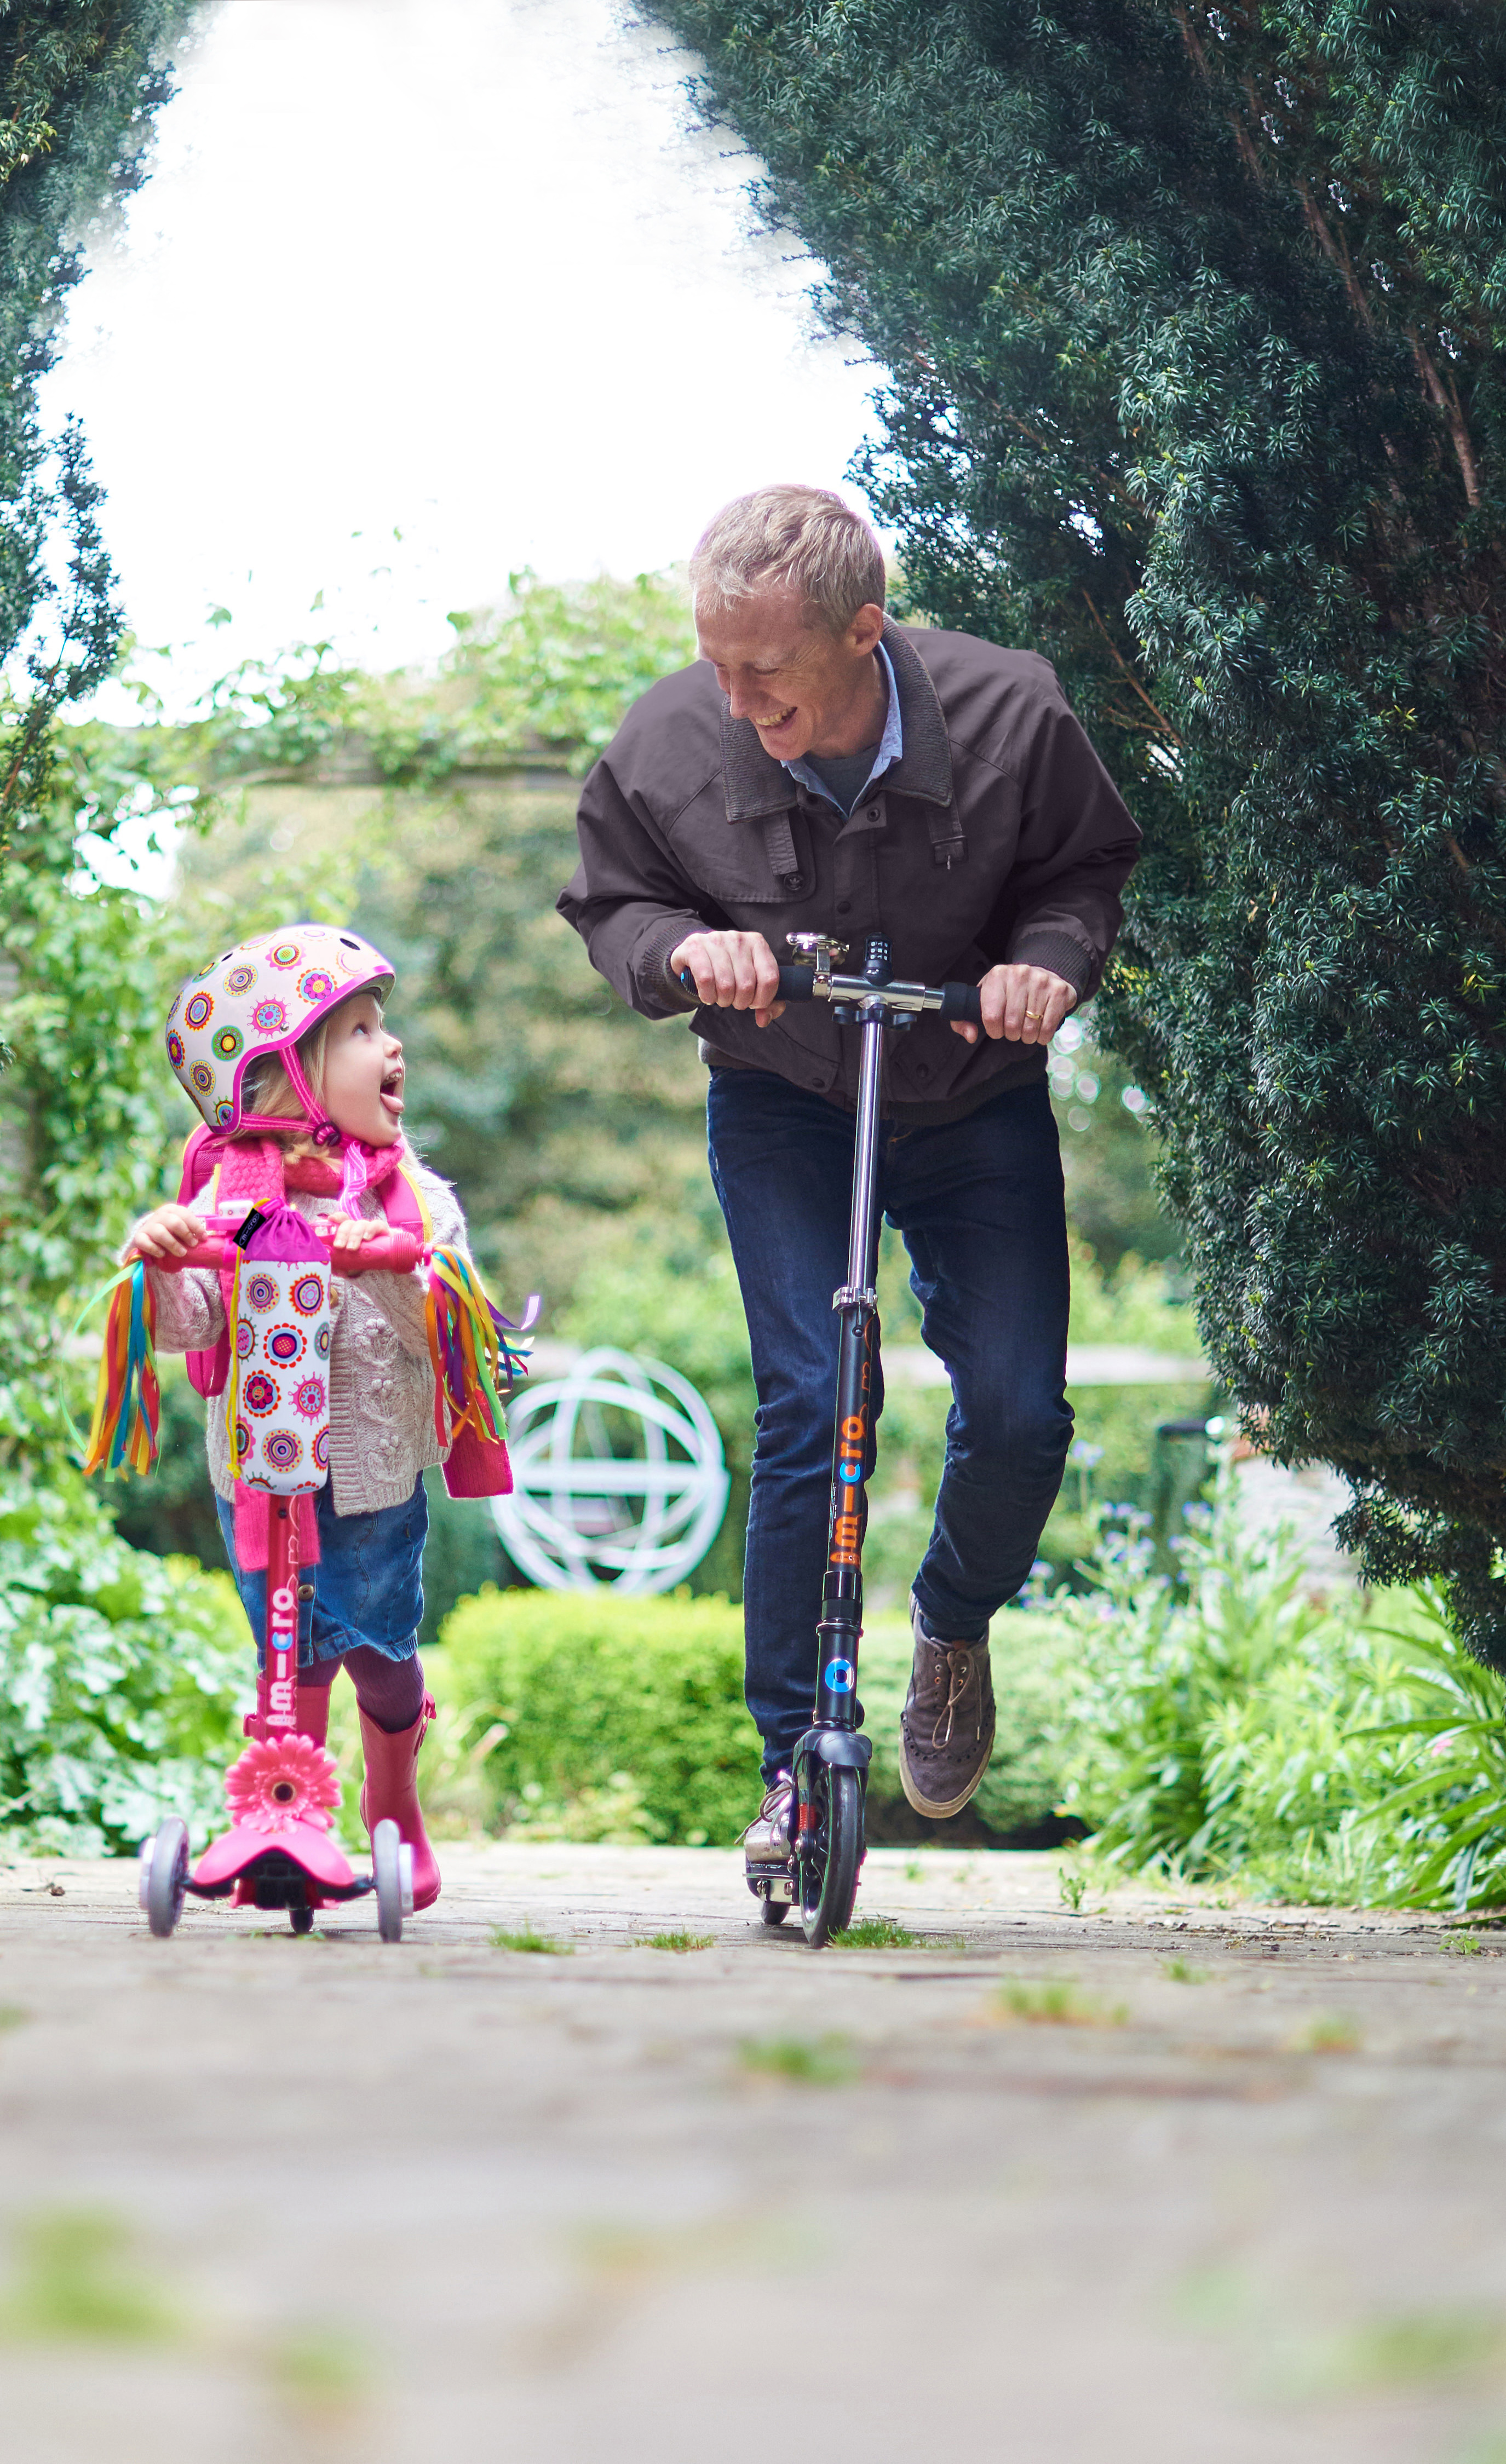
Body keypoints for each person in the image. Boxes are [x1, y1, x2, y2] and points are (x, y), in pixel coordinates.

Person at [556, 483, 1140, 1887]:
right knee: (816, 1394)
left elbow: (1083, 872)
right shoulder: (668, 739)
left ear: (864, 635)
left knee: (1017, 1406)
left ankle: (951, 1624)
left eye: (768, 672)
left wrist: (1046, 965)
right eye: (717, 663)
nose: (737, 697)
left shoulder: (1013, 715)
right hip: (784, 1094)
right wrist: (686, 955)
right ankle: (791, 1767)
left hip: (968, 1090)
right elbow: (615, 900)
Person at [112, 924, 511, 1912]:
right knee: (287, 1653)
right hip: (255, 1470)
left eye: (385, 1026)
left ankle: (391, 1790)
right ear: (290, 1074)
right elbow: (188, 1322)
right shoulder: (229, 1198)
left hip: (369, 1474)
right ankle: (291, 1819)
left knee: (374, 1642)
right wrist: (161, 1260)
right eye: (363, 1032)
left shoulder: (415, 1199)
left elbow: (447, 1335)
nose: (393, 1048)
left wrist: (386, 1263)